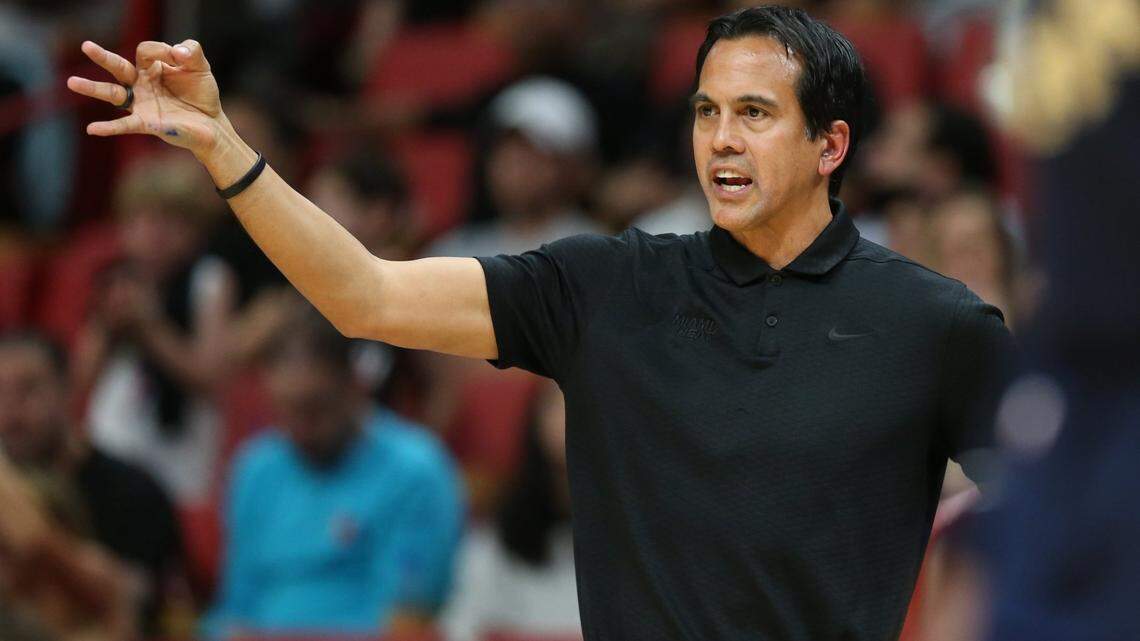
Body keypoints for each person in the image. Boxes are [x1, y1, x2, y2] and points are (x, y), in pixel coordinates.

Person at [66, 6, 1015, 640]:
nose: (721, 139)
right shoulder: (602, 283)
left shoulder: (936, 326)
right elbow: (366, 295)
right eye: (706, 111)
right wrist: (223, 145)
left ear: (830, 144)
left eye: (756, 114)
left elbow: (1063, 514)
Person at [201, 302, 463, 639]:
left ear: (355, 385)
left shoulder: (415, 472)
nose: (301, 429)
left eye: (315, 408)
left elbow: (407, 618)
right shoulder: (256, 469)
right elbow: (236, 605)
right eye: (286, 412)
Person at [0, 330, 185, 637]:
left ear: (68, 389)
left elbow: (143, 603)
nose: (10, 411)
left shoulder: (133, 491)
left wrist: (44, 545)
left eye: (29, 389)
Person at [441, 381, 581, 641]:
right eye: (559, 404)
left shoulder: (641, 535)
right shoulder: (497, 538)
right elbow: (461, 626)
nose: (574, 418)